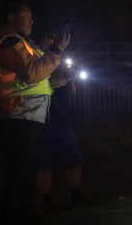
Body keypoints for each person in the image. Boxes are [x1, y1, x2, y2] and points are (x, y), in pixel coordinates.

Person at [0, 0, 70, 225]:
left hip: (29, 116)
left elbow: (39, 78)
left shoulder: (23, 43)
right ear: (11, 17)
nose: (32, 21)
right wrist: (56, 51)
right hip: (16, 117)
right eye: (27, 16)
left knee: (28, 174)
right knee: (20, 174)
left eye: (32, 16)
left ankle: (26, 221)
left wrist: (60, 79)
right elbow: (32, 73)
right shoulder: (8, 41)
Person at [36, 56, 94, 213]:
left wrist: (71, 80)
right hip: (43, 122)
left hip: (61, 121)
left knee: (74, 159)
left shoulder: (64, 72)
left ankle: (75, 196)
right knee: (44, 163)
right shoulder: (40, 66)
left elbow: (72, 95)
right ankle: (46, 200)